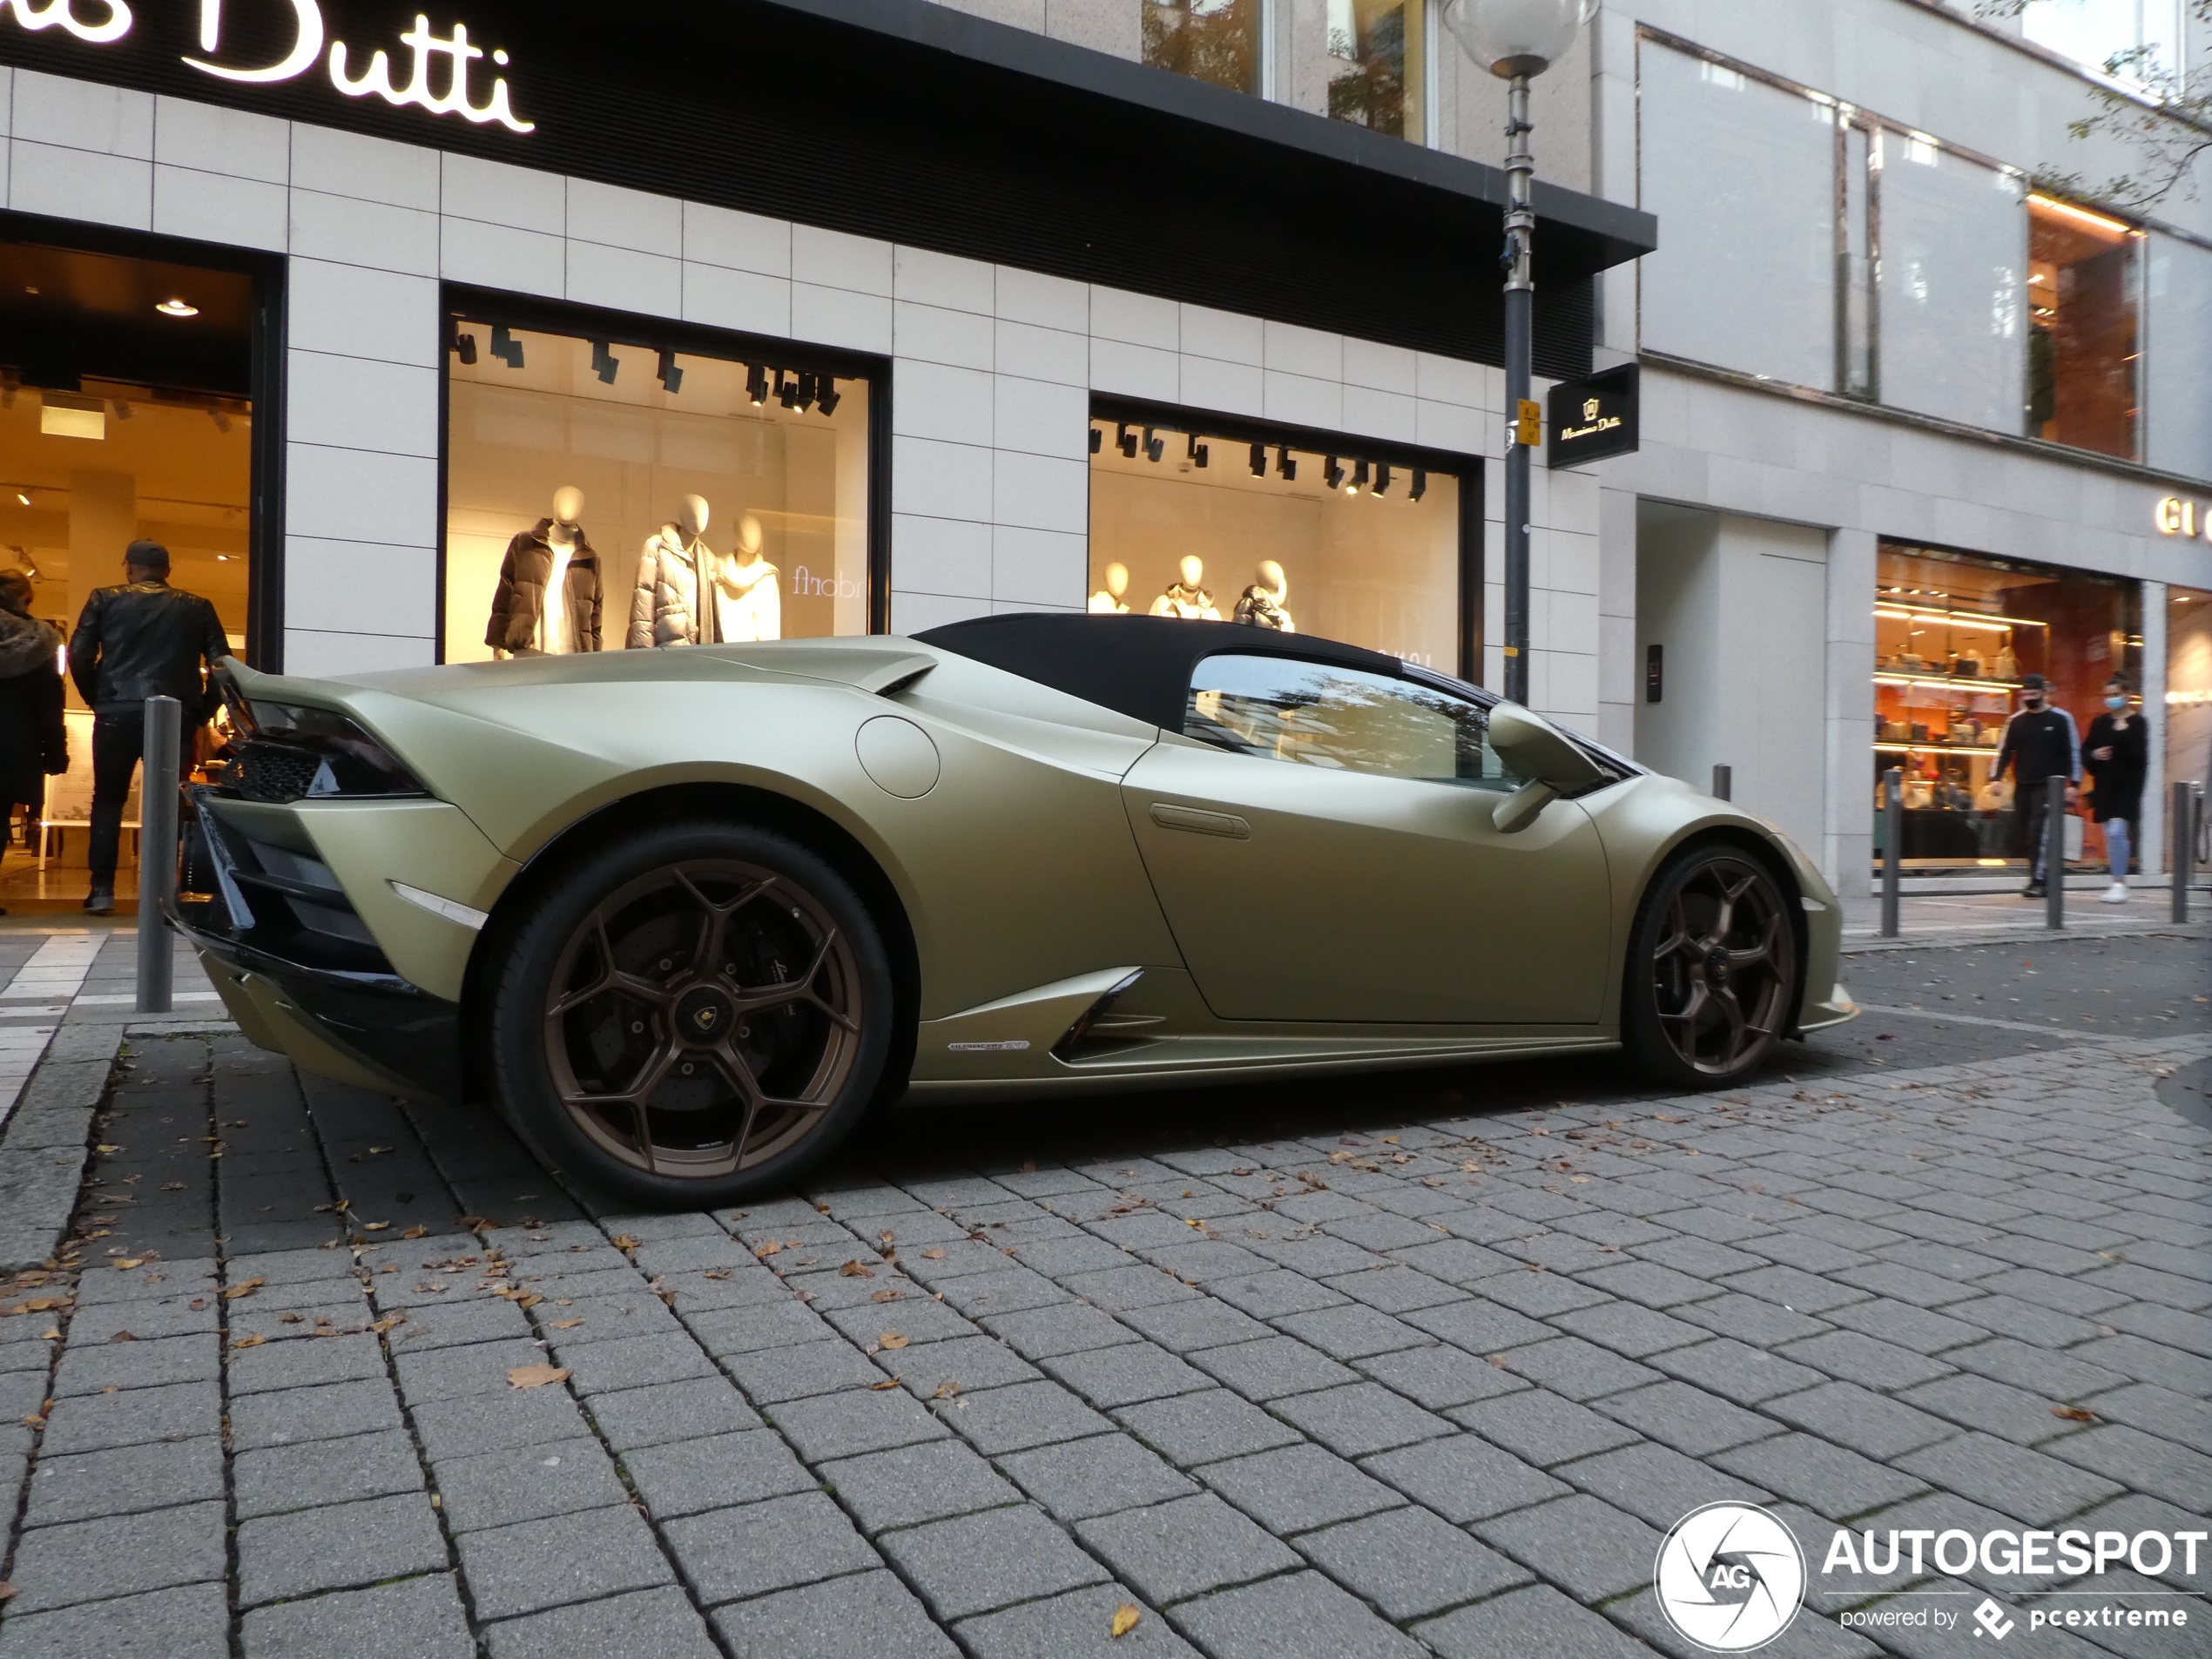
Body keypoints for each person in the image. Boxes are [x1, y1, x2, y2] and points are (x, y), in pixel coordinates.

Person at [66, 541, 228, 915]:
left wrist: (96, 695)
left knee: (108, 798)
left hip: (116, 709)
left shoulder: (104, 599)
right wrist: (203, 709)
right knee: (169, 800)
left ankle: (101, 889)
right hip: (175, 712)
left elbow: (79, 653)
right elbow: (221, 664)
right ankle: (161, 890)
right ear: (167, 570)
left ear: (129, 568)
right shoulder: (196, 606)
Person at [0, 571, 66, 915]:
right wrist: (56, 752)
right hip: (14, 745)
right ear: (27, 599)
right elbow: (49, 709)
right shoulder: (40, 643)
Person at [1990, 671, 2080, 900]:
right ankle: (2043, 876)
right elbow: (2004, 751)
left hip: (2051, 785)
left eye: (2033, 693)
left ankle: (2038, 880)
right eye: (2025, 693)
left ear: (2043, 693)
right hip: (2024, 784)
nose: (2028, 696)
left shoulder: (2061, 719)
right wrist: (1996, 778)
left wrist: (2074, 783)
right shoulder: (2016, 721)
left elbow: (2073, 752)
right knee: (2027, 835)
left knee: (2039, 832)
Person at [2083, 673, 2148, 904]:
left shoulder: (2138, 723)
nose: (2111, 700)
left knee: (2117, 832)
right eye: (2108, 696)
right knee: (2111, 835)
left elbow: (2138, 756)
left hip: (2128, 787)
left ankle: (2119, 882)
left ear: (2127, 695)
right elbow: (2086, 750)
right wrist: (2094, 755)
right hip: (2105, 787)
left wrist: (2123, 733)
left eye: (2116, 695)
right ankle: (2116, 878)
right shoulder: (2100, 723)